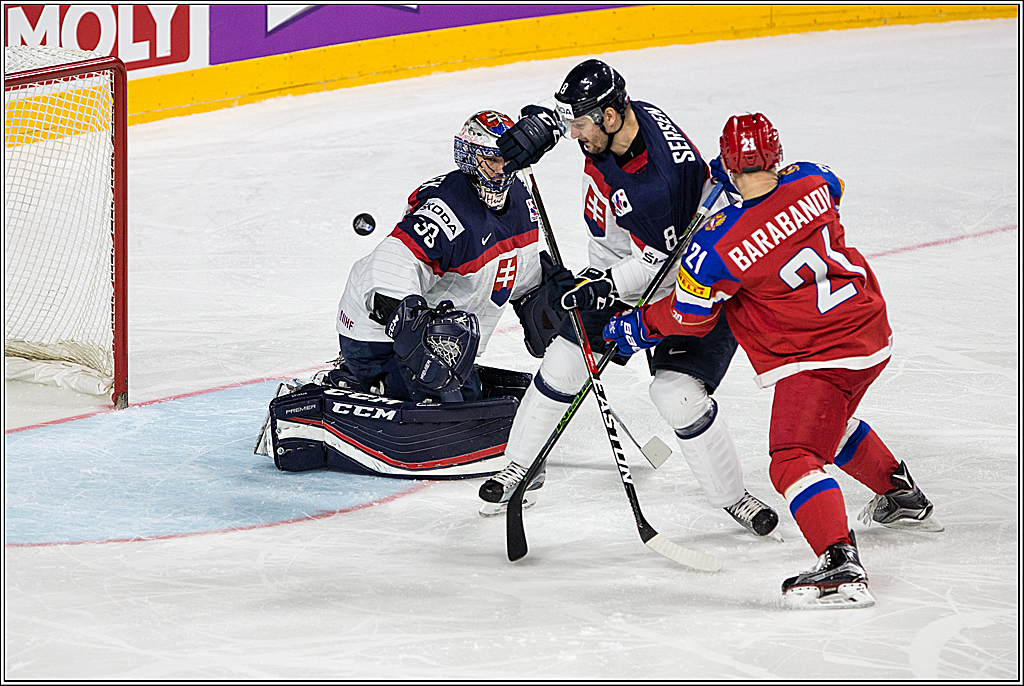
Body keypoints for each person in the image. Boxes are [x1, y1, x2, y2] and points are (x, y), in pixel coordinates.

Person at [604, 113, 941, 608]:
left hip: (818, 352)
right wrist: (759, 194)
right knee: (830, 421)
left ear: (727, 163)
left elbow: (692, 319)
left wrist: (638, 327)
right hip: (869, 330)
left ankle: (840, 563)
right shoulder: (812, 179)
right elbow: (832, 184)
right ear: (776, 154)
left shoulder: (715, 245)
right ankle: (901, 495)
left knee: (792, 458)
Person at [477, 59, 780, 536]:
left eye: (579, 124)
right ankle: (519, 468)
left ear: (610, 117)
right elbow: (584, 124)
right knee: (564, 363)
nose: (576, 133)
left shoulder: (656, 183)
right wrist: (544, 126)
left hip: (686, 282)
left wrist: (602, 287)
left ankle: (733, 498)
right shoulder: (621, 119)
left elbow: (655, 265)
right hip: (621, 266)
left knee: (677, 395)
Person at [335, 110, 575, 404]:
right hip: (377, 337)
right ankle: (358, 378)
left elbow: (516, 275)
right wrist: (409, 320)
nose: (502, 170)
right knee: (448, 411)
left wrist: (549, 294)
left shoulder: (522, 205)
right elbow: (390, 262)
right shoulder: (447, 209)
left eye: (507, 160)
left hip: (443, 348)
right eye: (492, 160)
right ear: (469, 159)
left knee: (470, 402)